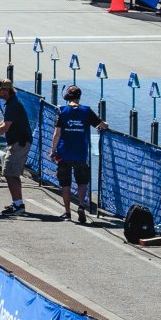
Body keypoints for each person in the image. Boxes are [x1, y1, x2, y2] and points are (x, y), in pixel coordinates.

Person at [50, 84, 102, 224]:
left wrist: (52, 150)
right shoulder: (86, 111)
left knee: (65, 184)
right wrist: (106, 125)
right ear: (79, 97)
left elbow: (57, 133)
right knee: (82, 182)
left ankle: (67, 212)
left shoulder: (62, 111)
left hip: (64, 153)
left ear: (67, 97)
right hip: (81, 153)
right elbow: (100, 125)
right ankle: (81, 206)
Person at [0, 78, 34, 217]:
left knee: (9, 173)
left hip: (19, 143)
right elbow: (4, 122)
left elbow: (5, 128)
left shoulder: (13, 105)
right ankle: (18, 204)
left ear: (6, 91)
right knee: (13, 174)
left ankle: (18, 204)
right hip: (17, 142)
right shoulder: (11, 103)